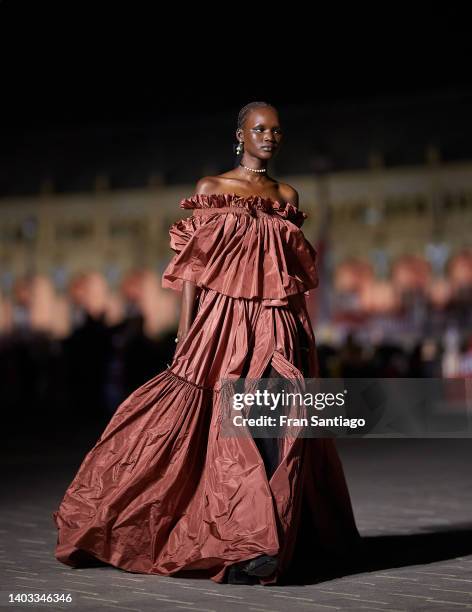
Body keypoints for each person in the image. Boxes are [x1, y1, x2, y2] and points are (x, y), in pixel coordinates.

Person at [52, 101, 361, 586]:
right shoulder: (212, 189)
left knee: (275, 427)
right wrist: (186, 329)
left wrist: (305, 339)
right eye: (260, 128)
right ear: (240, 134)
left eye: (277, 130)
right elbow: (194, 267)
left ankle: (265, 539)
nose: (270, 137)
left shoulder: (287, 194)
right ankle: (242, 540)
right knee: (215, 427)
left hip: (278, 323)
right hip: (221, 323)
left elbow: (292, 277)